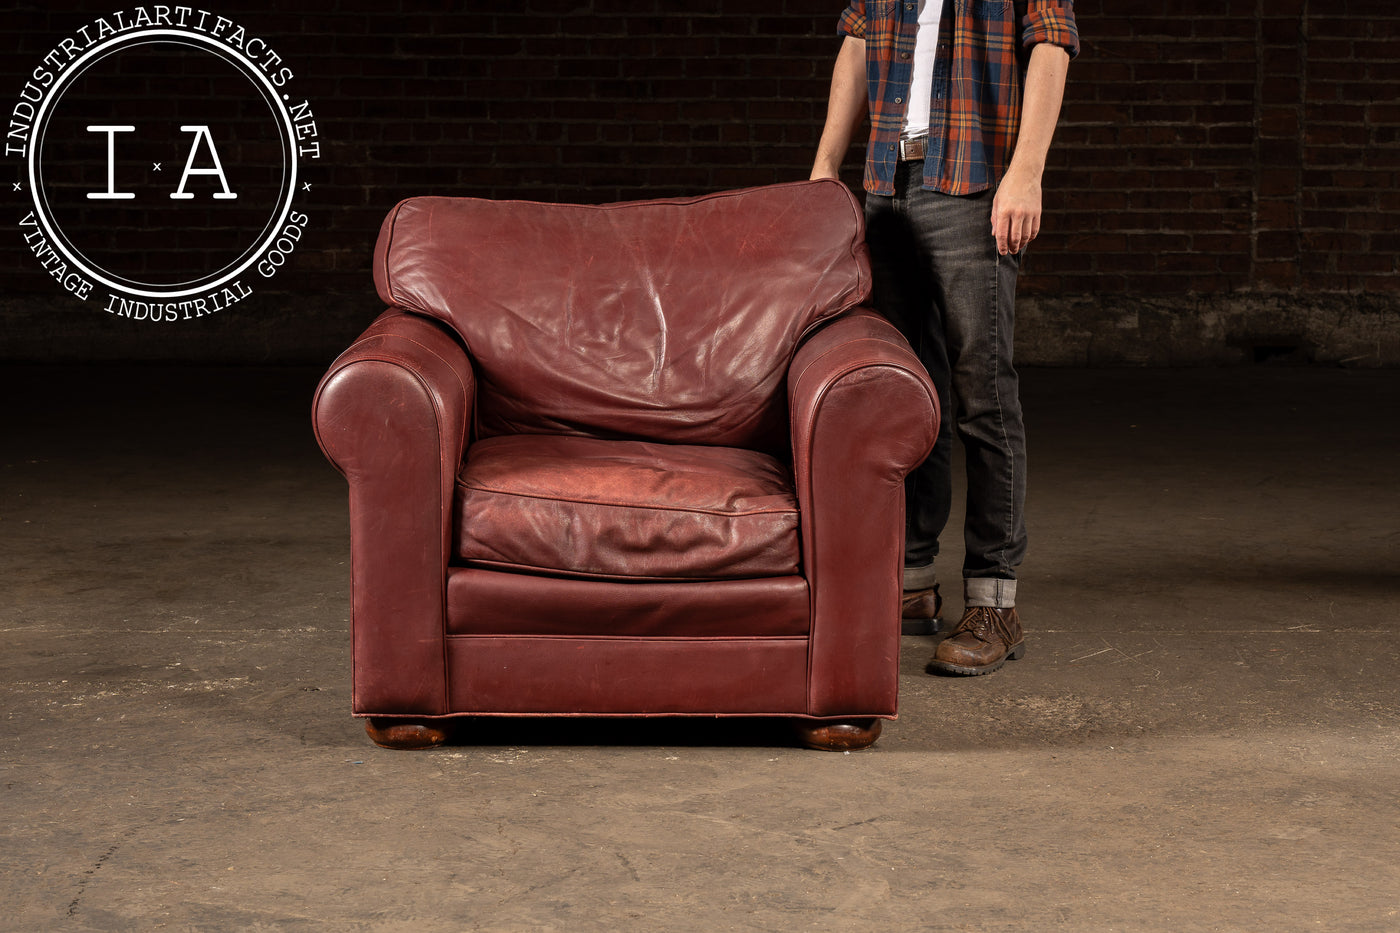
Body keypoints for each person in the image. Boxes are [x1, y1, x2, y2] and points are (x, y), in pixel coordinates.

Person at [810, 0, 1078, 675]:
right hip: (888, 183)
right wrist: (824, 167)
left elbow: (1051, 43)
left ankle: (994, 601)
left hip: (973, 184)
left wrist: (1028, 171)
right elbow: (858, 41)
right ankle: (913, 578)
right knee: (906, 394)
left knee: (983, 397)